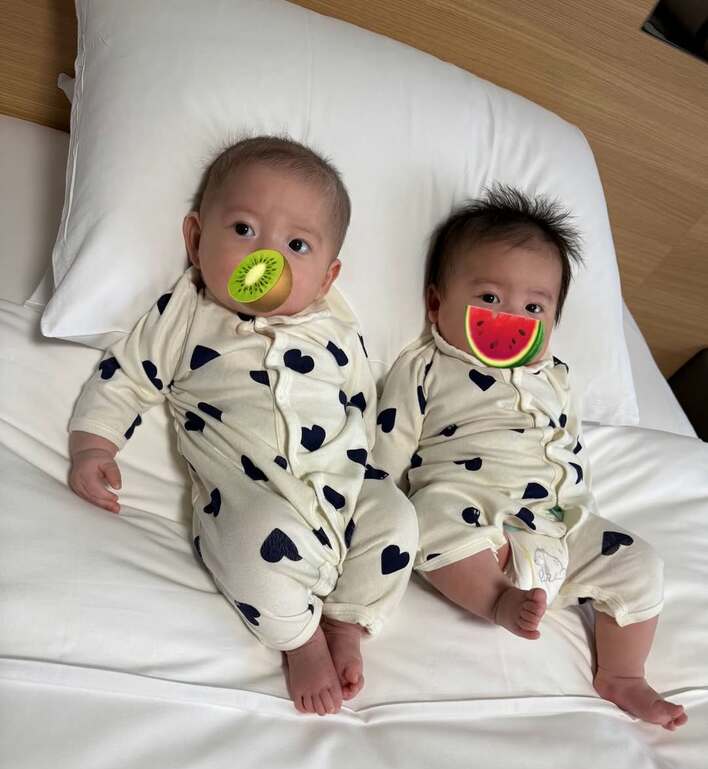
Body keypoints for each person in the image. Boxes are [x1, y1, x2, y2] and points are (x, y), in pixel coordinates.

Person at [68, 135, 417, 716]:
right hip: (251, 498)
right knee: (253, 545)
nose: (266, 257)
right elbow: (126, 374)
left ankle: (346, 621)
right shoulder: (189, 312)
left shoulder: (336, 324)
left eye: (297, 244)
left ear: (327, 277)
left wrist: (377, 474)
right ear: (195, 239)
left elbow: (362, 402)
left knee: (399, 519)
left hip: (344, 491)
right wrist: (93, 446)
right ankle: (298, 639)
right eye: (244, 229)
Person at [373, 185, 686, 730]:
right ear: (436, 304)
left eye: (533, 308)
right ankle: (495, 600)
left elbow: (569, 446)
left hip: (559, 521)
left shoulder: (557, 376)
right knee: (429, 519)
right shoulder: (425, 367)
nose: (510, 319)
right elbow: (388, 443)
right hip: (471, 514)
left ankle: (623, 673)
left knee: (641, 564)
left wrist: (580, 519)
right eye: (489, 299)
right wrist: (372, 497)